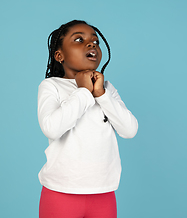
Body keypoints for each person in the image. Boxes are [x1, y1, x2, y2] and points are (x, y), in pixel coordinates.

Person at [37, 20, 138, 218]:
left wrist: (100, 94)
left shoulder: (106, 89)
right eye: (79, 40)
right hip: (60, 192)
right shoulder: (52, 86)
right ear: (59, 55)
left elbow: (129, 130)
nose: (91, 44)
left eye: (95, 41)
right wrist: (83, 92)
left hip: (104, 192)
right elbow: (51, 128)